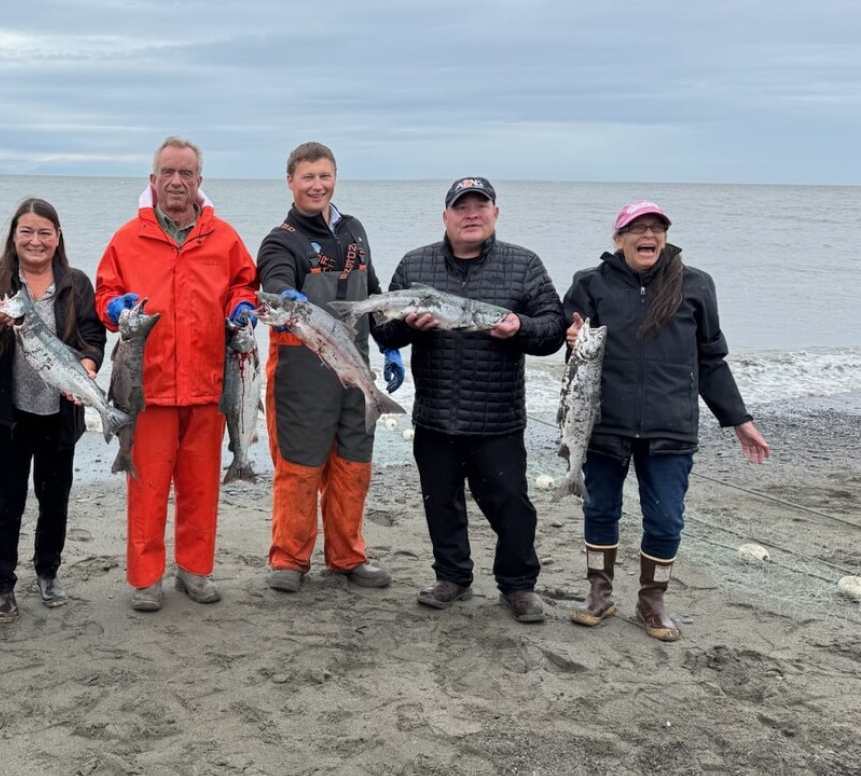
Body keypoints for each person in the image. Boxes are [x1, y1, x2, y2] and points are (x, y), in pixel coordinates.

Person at [563, 200, 771, 642]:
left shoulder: (695, 286)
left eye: (657, 227)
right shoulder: (589, 284)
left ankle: (651, 600)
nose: (649, 234)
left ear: (665, 237)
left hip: (670, 426)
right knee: (600, 509)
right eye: (637, 228)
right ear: (618, 239)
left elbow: (711, 359)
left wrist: (739, 419)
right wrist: (570, 336)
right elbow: (573, 349)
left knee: (666, 520)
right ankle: (599, 593)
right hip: (605, 424)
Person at [373, 176, 565, 623]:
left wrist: (521, 328)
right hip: (436, 414)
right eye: (462, 207)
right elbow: (383, 330)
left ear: (495, 214)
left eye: (481, 206)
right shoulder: (415, 265)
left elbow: (553, 329)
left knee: (511, 503)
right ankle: (452, 576)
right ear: (446, 217)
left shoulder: (524, 265)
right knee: (440, 501)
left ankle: (517, 586)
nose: (471, 214)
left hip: (498, 415)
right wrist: (407, 328)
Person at [94, 136, 258, 612]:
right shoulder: (128, 238)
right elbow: (105, 296)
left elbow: (244, 284)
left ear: (199, 182)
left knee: (201, 486)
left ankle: (194, 570)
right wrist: (115, 306)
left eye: (186, 173)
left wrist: (242, 305)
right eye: (168, 172)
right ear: (152, 180)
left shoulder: (223, 237)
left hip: (210, 387)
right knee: (146, 488)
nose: (176, 181)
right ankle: (146, 579)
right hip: (148, 389)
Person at [255, 142, 393, 593]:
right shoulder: (282, 239)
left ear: (336, 178)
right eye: (308, 177)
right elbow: (273, 277)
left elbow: (371, 295)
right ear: (290, 181)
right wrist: (283, 294)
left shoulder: (354, 231)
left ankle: (347, 556)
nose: (317, 185)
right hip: (301, 373)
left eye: (325, 176)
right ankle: (290, 559)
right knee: (299, 466)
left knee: (354, 464)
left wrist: (389, 346)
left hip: (354, 369)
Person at [0, 198, 107, 622]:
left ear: (58, 237)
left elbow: (92, 337)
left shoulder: (77, 283)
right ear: (14, 234)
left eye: (45, 232)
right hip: (9, 413)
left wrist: (87, 365)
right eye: (27, 231)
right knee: (6, 503)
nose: (36, 240)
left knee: (55, 500)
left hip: (60, 413)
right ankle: (2, 585)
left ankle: (48, 572)